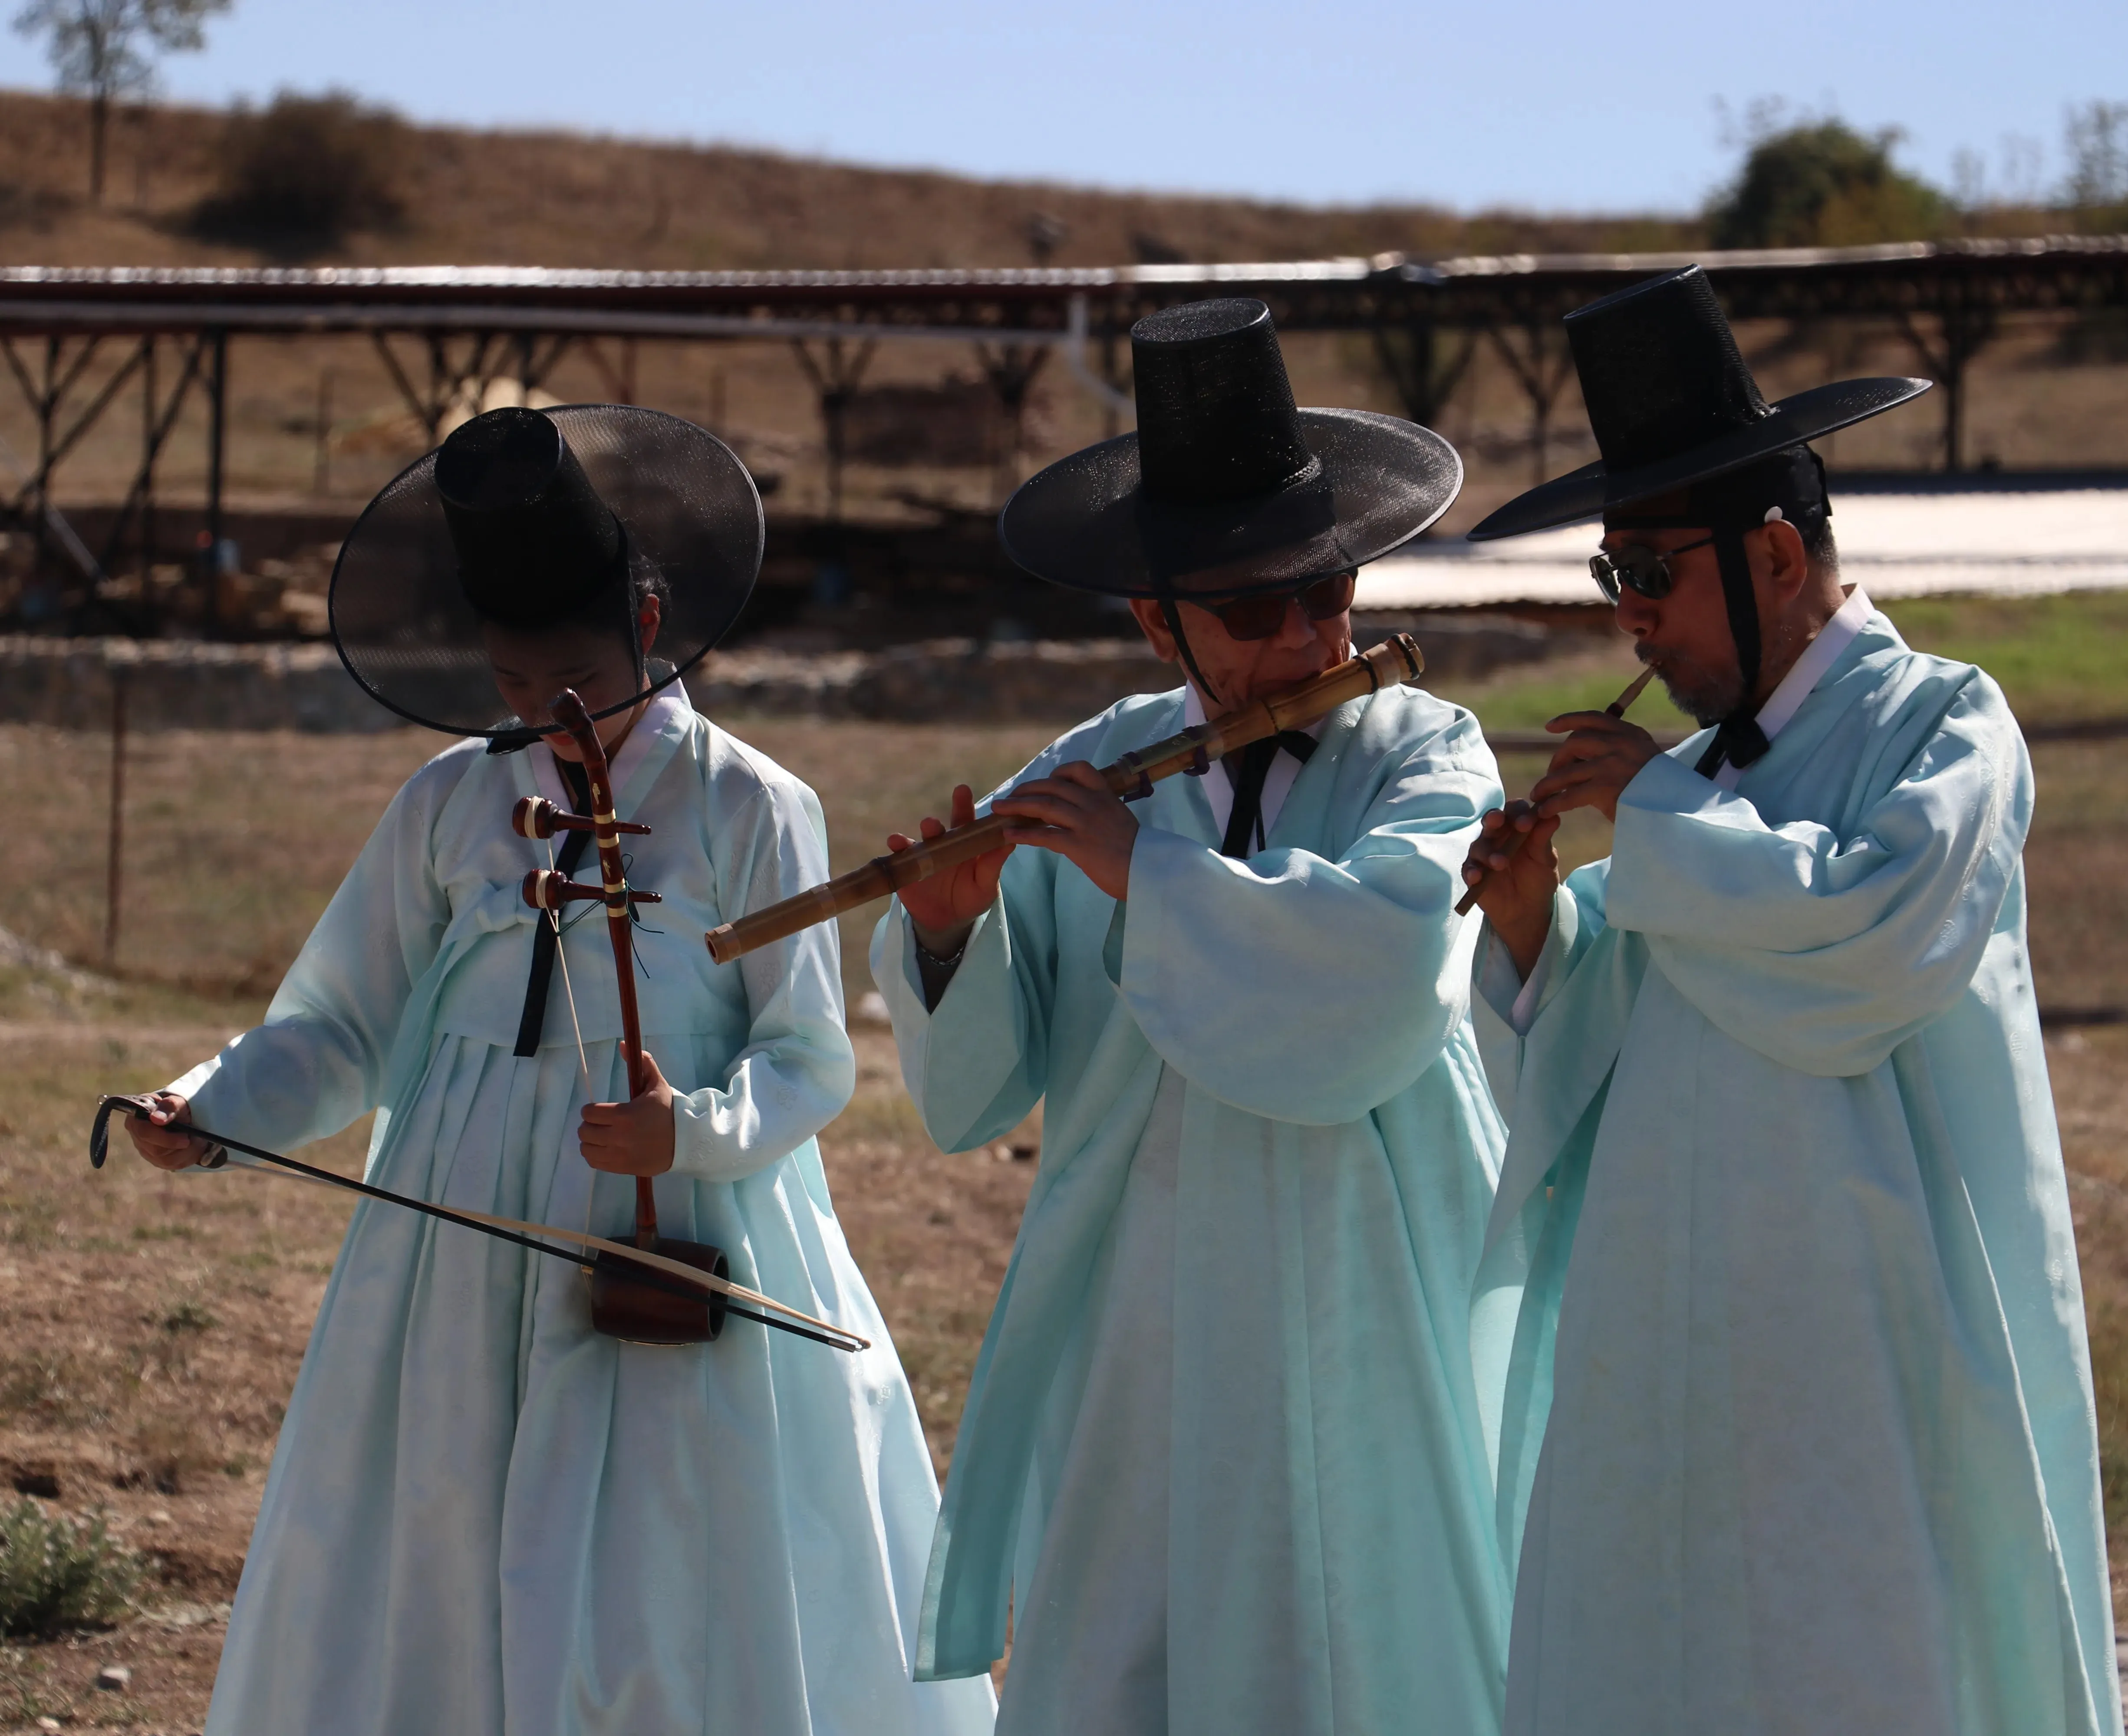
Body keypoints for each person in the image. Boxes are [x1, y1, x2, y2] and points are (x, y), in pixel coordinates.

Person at [122, 405, 995, 1736]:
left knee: (660, 1553)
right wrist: (217, 1103)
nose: (553, 720)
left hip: (680, 1226)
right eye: (522, 691)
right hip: (462, 1243)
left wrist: (687, 1133)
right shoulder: (447, 800)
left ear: (651, 625)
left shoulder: (752, 803)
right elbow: (346, 1022)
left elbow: (811, 1059)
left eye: (580, 684)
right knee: (446, 1517)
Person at [1459, 265, 2120, 1736]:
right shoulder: (1687, 782)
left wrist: (1658, 826)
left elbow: (1866, 947)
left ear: (1770, 555)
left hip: (1857, 1338)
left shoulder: (1944, 722)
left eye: (1651, 575)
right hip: (1666, 1340)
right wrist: (1528, 942)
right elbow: (1608, 1054)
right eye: (1609, 579)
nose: (1630, 622)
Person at [870, 298, 1514, 1735]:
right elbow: (974, 1096)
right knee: (1137, 1634)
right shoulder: (1098, 765)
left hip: (1366, 1267)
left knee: (1361, 1620)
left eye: (1327, 594)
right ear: (1160, 619)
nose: (1303, 636)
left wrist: (1141, 869)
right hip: (1144, 1290)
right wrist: (945, 922)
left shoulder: (1428, 746)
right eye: (1252, 609)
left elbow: (1391, 966)